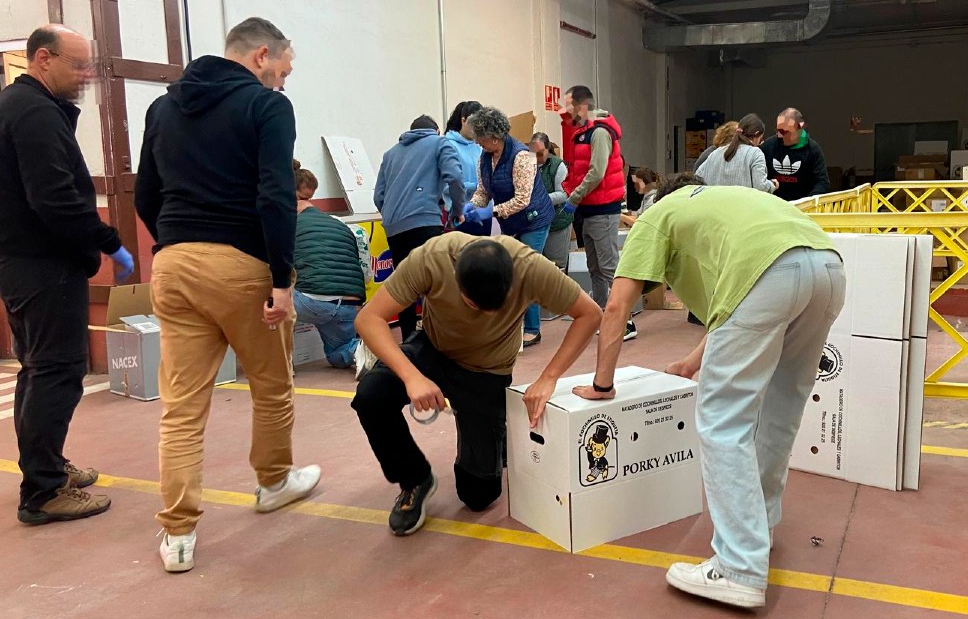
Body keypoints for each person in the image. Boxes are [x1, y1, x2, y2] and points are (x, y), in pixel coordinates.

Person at [572, 173, 845, 609]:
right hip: (827, 267)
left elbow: (617, 305)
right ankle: (758, 529)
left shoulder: (657, 215)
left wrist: (603, 384)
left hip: (767, 272)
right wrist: (690, 363)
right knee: (780, 410)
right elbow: (732, 311)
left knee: (722, 420)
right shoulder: (726, 203)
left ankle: (738, 567)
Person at [135, 17, 320, 573]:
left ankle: (178, 535)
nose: (283, 82)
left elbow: (145, 193)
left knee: (181, 406)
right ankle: (273, 482)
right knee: (271, 384)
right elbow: (275, 193)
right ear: (262, 55)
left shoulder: (162, 108)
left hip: (173, 264)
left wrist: (176, 240)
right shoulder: (267, 107)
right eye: (283, 70)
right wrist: (282, 280)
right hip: (242, 265)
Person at [350, 233, 601, 535]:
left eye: (497, 306)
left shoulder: (531, 268)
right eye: (474, 305)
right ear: (456, 280)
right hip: (434, 348)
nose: (486, 315)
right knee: (372, 395)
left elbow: (590, 314)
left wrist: (549, 377)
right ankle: (415, 479)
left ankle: (493, 433)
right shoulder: (431, 258)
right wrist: (411, 376)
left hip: (487, 369)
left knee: (478, 496)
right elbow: (368, 319)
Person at [0, 24, 134, 525]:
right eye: (78, 65)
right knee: (56, 370)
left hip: (20, 262)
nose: (86, 75)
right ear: (43, 59)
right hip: (41, 266)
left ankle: (46, 466)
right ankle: (44, 491)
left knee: (38, 369)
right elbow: (54, 199)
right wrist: (110, 243)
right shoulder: (33, 113)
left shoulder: (14, 107)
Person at [465, 107, 555, 347]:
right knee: (510, 272)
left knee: (525, 271)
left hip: (534, 219)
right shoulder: (484, 157)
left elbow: (522, 199)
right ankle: (515, 324)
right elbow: (483, 191)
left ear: (494, 137)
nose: (478, 143)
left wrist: (490, 212)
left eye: (481, 139)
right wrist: (472, 206)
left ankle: (533, 329)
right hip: (511, 222)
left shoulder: (523, 157)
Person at [374, 114, 467, 342]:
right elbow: (455, 177)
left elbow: (378, 196)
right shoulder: (440, 143)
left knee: (404, 284)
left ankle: (409, 342)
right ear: (436, 131)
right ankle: (436, 338)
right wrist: (458, 210)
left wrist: (392, 215)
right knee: (435, 281)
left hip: (394, 227)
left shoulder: (390, 154)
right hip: (425, 221)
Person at [559, 85, 636, 341]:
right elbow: (578, 170)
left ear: (582, 106)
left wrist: (574, 197)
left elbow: (597, 172)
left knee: (608, 266)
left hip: (603, 210)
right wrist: (571, 192)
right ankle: (603, 316)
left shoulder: (600, 132)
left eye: (569, 106)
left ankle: (626, 322)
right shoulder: (582, 132)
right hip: (588, 209)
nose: (565, 112)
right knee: (594, 267)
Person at [291, 162, 369, 371]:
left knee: (266, 300)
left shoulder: (287, 223)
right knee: (337, 354)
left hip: (313, 301)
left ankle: (280, 365)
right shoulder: (338, 223)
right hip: (351, 304)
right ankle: (361, 350)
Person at [696, 114, 777, 193]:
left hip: (715, 201)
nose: (759, 143)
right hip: (743, 202)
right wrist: (772, 184)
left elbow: (697, 178)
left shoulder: (716, 152)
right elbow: (761, 187)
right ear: (756, 134)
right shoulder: (755, 153)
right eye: (760, 139)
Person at [443, 101, 490, 236]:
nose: (477, 128)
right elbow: (446, 185)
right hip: (460, 211)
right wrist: (476, 186)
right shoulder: (448, 145)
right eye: (474, 123)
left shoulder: (480, 145)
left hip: (482, 210)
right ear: (463, 120)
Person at [760, 107, 828, 202]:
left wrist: (808, 203)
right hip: (773, 205)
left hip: (802, 206)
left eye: (786, 132)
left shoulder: (812, 149)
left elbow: (822, 182)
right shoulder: (768, 146)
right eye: (778, 130)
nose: (780, 135)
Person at [532, 132, 573, 272]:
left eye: (540, 152)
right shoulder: (528, 164)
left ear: (548, 150)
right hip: (537, 223)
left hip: (557, 221)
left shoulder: (558, 165)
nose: (536, 156)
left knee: (556, 267)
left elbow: (564, 194)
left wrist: (540, 199)